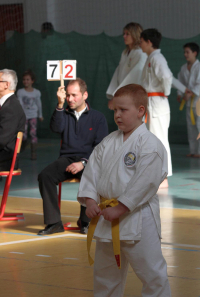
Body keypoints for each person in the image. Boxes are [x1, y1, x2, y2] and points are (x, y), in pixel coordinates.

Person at [77, 84, 171, 297]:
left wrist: (121, 207)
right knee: (105, 277)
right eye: (115, 110)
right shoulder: (108, 142)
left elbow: (146, 182)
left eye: (123, 110)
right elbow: (92, 171)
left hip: (138, 218)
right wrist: (91, 201)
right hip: (106, 218)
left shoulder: (150, 145)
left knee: (153, 275)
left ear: (140, 111)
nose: (117, 115)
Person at [38, 78, 108, 235]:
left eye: (74, 95)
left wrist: (83, 162)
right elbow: (56, 128)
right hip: (66, 159)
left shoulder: (98, 118)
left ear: (85, 95)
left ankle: (85, 221)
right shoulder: (63, 112)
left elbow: (101, 148)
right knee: (45, 176)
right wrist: (59, 104)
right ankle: (54, 222)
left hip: (89, 161)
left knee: (92, 175)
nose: (70, 99)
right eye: (67, 95)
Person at [140, 28, 173, 188]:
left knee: (160, 139)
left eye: (141, 41)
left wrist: (165, 92)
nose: (140, 44)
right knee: (152, 140)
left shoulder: (157, 58)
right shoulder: (150, 58)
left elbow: (167, 76)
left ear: (149, 42)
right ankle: (155, 175)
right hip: (151, 101)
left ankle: (164, 177)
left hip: (157, 101)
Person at [106, 22, 147, 110]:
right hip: (125, 95)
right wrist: (115, 94)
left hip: (134, 95)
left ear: (135, 35)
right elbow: (118, 73)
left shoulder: (140, 53)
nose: (124, 36)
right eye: (124, 34)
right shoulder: (125, 53)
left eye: (127, 34)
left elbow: (134, 76)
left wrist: (118, 96)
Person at [177, 42, 200, 157]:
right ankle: (193, 151)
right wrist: (179, 93)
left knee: (199, 126)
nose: (185, 54)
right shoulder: (183, 68)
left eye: (188, 52)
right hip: (188, 103)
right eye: (184, 52)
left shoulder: (199, 66)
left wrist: (191, 93)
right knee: (191, 128)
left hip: (198, 101)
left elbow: (199, 84)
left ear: (195, 53)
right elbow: (180, 83)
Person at [0, 69, 26, 171]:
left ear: (6, 85)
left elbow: (2, 139)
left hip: (6, 158)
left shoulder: (11, 107)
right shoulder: (7, 104)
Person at [17, 70, 43, 160]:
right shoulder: (20, 92)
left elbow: (39, 104)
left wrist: (40, 115)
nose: (25, 81)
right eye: (24, 79)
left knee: (33, 133)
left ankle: (33, 152)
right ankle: (22, 145)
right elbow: (19, 104)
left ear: (32, 81)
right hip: (23, 116)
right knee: (23, 135)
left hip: (33, 116)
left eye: (28, 79)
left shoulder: (36, 92)